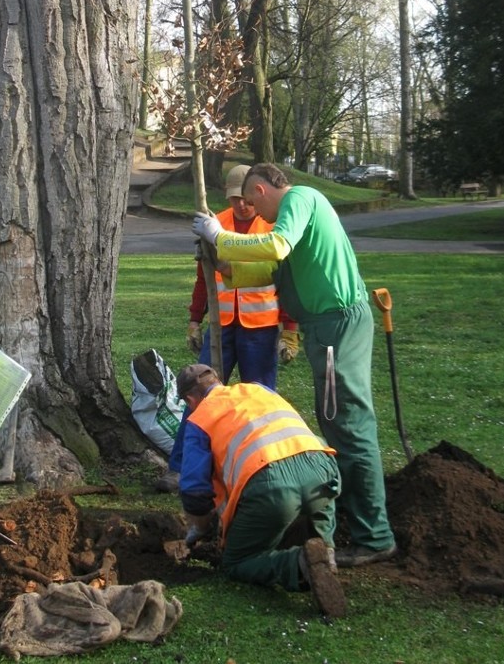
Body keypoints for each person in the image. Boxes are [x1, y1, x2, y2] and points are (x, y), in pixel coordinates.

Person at [192, 163, 397, 567]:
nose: (255, 212)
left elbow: (277, 246)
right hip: (327, 329)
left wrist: (221, 235)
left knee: (349, 426)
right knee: (338, 422)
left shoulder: (300, 200)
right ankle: (358, 525)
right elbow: (268, 269)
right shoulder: (296, 216)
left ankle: (374, 536)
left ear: (263, 189)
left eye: (253, 201)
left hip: (337, 326)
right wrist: (220, 261)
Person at [156, 164, 298, 491]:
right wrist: (195, 320)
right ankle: (180, 469)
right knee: (199, 398)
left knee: (261, 401)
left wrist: (289, 329)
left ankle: (264, 468)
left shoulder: (272, 223)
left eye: (246, 199)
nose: (242, 206)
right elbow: (203, 280)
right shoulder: (214, 224)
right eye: (235, 199)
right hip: (221, 328)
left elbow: (284, 282)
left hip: (260, 330)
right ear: (229, 196)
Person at [175, 363, 347, 616]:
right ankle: (325, 551)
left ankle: (299, 565)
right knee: (320, 503)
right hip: (322, 469)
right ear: (219, 382)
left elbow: (195, 492)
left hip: (272, 487)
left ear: (190, 399)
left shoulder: (199, 418)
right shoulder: (259, 390)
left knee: (236, 562)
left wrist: (199, 529)